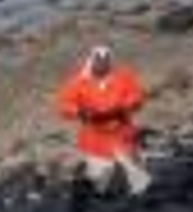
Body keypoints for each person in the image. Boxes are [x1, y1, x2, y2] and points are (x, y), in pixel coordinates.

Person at [55, 45, 151, 195]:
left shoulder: (123, 77)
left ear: (110, 61)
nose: (101, 63)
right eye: (98, 59)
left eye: (105, 59)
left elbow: (138, 96)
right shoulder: (79, 82)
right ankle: (104, 197)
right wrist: (80, 112)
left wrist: (124, 106)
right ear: (91, 60)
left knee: (137, 176)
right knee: (101, 179)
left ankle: (140, 195)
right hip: (95, 138)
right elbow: (64, 106)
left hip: (122, 133)